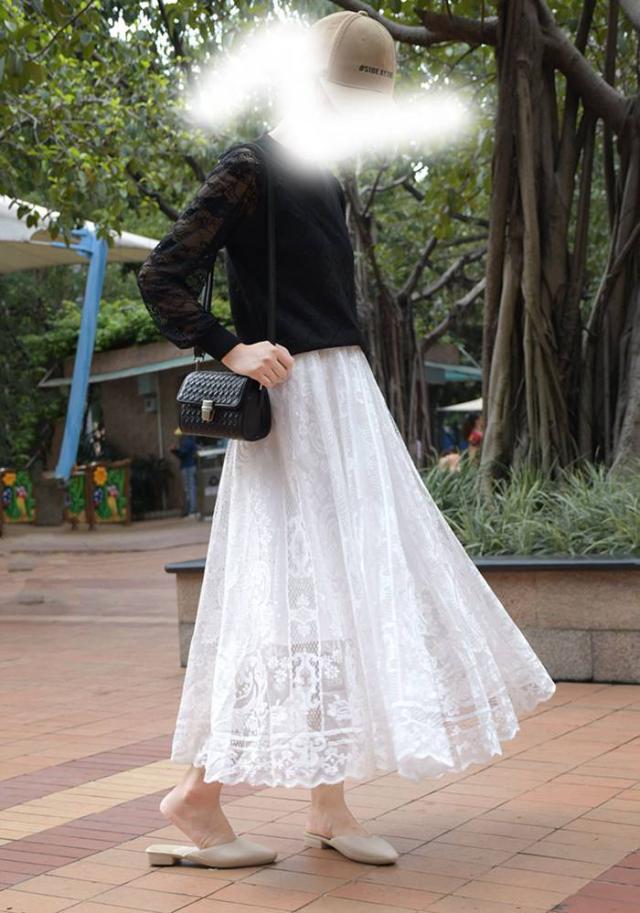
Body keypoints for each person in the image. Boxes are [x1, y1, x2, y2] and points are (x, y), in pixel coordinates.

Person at [136, 10, 555, 872]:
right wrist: (231, 347)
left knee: (345, 595)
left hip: (343, 408)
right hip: (292, 411)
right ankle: (197, 796)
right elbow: (163, 271)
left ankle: (326, 804)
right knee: (286, 598)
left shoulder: (326, 176)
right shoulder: (252, 165)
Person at [170, 429, 198, 517]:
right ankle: (191, 508)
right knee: (189, 488)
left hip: (188, 467)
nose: (178, 437)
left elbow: (183, 453)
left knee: (190, 488)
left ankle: (192, 509)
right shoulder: (189, 440)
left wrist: (174, 450)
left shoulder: (187, 441)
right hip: (188, 466)